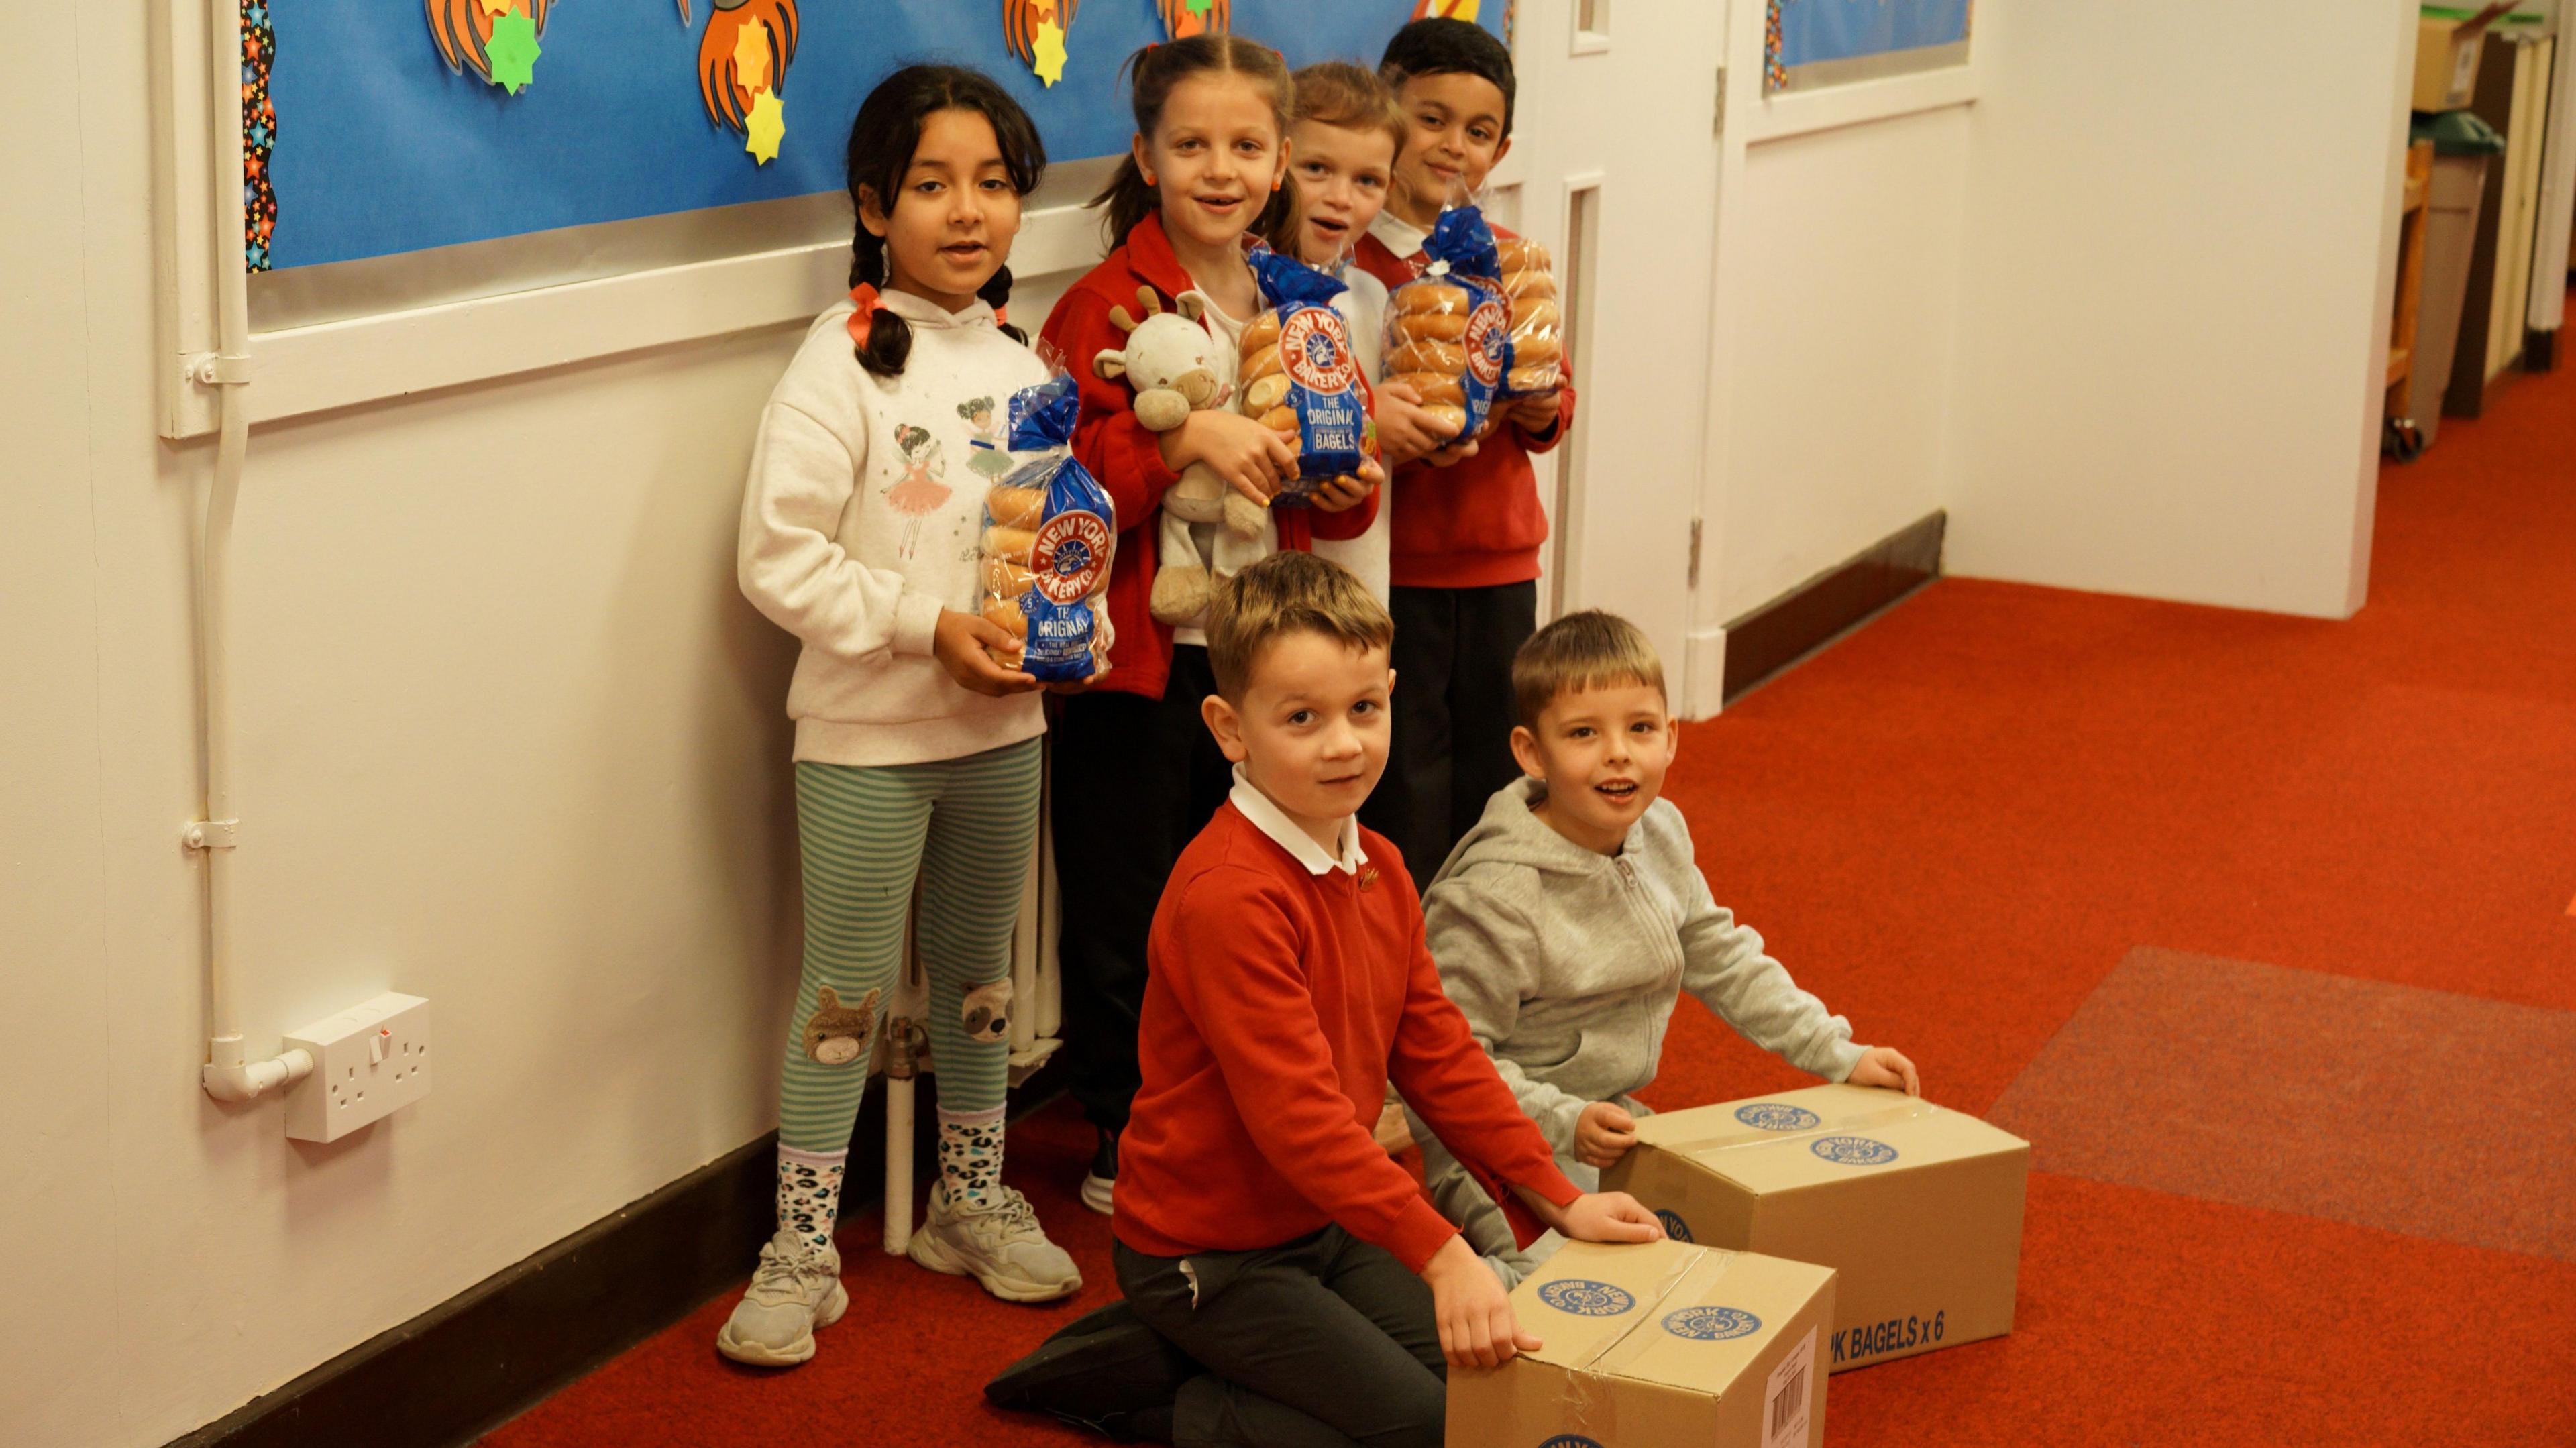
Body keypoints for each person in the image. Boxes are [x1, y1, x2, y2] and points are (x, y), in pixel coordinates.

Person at [1108, 553, 1664, 1445]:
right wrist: (1446, 1253)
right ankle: (1183, 1399)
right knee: (1423, 1424)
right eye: (1302, 717)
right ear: (1229, 727)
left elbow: (1439, 1052)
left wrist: (1557, 1193)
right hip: (1209, 1250)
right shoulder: (1229, 893)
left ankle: (1243, 1359)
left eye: (1365, 708)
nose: (1344, 742)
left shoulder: (1383, 865)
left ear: (1392, 694)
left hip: (1327, 1219)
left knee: (1490, 1378)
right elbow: (1302, 1121)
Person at [719, 64, 1081, 1368]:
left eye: (993, 184)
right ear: (876, 203)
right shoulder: (839, 360)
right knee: (844, 993)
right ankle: (802, 1243)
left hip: (1004, 733)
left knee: (982, 979)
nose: (967, 210)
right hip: (870, 738)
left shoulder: (1023, 360)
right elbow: (778, 555)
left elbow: (1045, 541)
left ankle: (966, 1200)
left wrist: (1055, 626)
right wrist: (925, 627)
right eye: (933, 184)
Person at [1038, 35, 1381, 1215]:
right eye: (1191, 145)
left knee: (1239, 895)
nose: (1220, 170)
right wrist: (1184, 439)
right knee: (1126, 901)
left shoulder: (1300, 300)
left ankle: (1232, 1101)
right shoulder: (1105, 304)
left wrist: (1343, 478)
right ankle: (1119, 1128)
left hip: (1257, 659)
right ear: (1145, 154)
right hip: (1136, 667)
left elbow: (1346, 478)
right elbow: (1064, 480)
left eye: (1246, 146)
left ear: (1284, 159)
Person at [1413, 610, 1922, 1287]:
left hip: (1607, 1117)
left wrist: (1840, 1051)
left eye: (1640, 728)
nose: (1619, 752)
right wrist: (1563, 1119)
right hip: (1491, 1141)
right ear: (1532, 752)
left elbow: (1725, 955)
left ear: (1671, 737)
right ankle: (1447, 1280)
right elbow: (1445, 1064)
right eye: (1584, 733)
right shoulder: (1494, 896)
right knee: (1574, 1290)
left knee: (1713, 1258)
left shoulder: (1661, 831)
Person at [1353, 18, 1578, 879]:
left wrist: (1540, 404)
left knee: (1499, 774)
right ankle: (1406, 961)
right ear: (1387, 118)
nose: (1454, 146)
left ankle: (1488, 953)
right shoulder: (1348, 265)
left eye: (1478, 132)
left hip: (1498, 562)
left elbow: (1551, 397)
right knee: (1402, 777)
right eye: (1431, 119)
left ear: (1503, 148)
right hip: (1392, 565)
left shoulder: (1513, 262)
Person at [1273, 60, 1461, 606]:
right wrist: (1367, 416)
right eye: (1316, 169)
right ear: (1278, 160)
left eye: (1367, 181)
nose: (1341, 197)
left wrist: (1427, 435)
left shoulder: (1374, 296)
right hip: (1277, 590)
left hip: (1359, 580)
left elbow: (1386, 435)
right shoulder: (1256, 295)